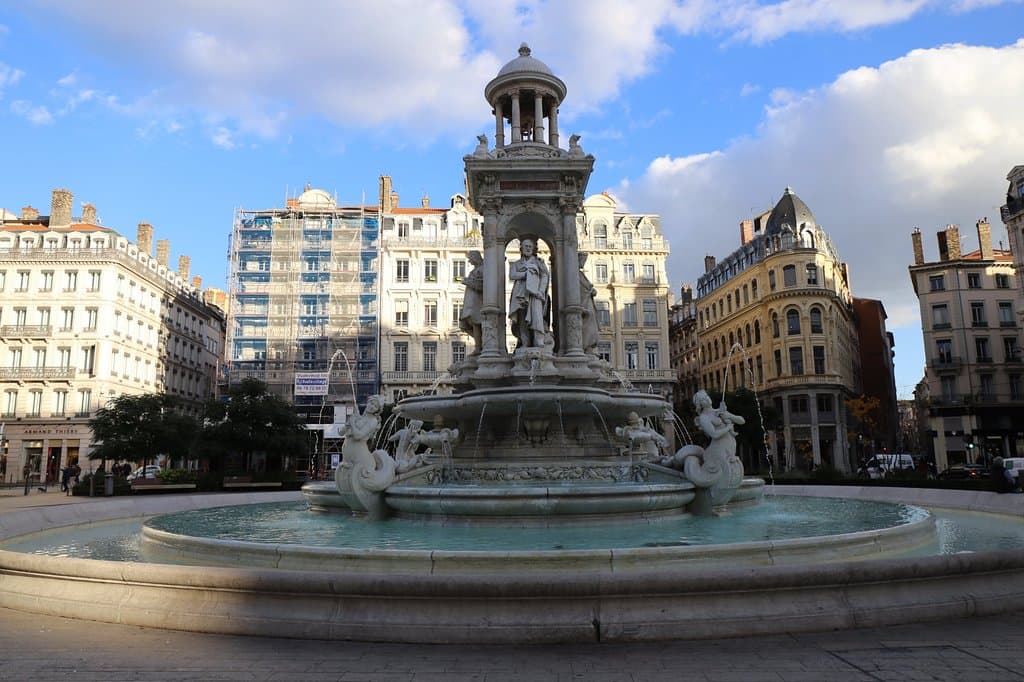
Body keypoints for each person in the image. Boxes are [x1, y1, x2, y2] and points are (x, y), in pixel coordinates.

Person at [508, 237, 550, 349]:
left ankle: (539, 341)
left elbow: (545, 276)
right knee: (521, 319)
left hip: (535, 293)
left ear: (534, 249)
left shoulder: (538, 262)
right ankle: (525, 342)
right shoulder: (516, 263)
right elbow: (512, 275)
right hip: (520, 293)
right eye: (525, 246)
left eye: (530, 246)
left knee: (537, 316)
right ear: (521, 248)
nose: (528, 248)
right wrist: (526, 274)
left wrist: (541, 290)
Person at [459, 251, 484, 354]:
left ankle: (479, 346)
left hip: (477, 302)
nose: (469, 261)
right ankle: (480, 343)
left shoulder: (483, 269)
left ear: (475, 257)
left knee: (476, 324)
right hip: (470, 302)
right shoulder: (475, 270)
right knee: (465, 325)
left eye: (470, 258)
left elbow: (482, 286)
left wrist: (468, 282)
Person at [578, 252, 600, 354]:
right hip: (584, 305)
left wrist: (592, 291)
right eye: (582, 260)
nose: (583, 263)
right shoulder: (575, 273)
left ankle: (589, 348)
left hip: (588, 304)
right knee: (587, 328)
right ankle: (586, 347)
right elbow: (578, 289)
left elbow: (587, 287)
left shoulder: (580, 274)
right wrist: (589, 291)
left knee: (591, 328)